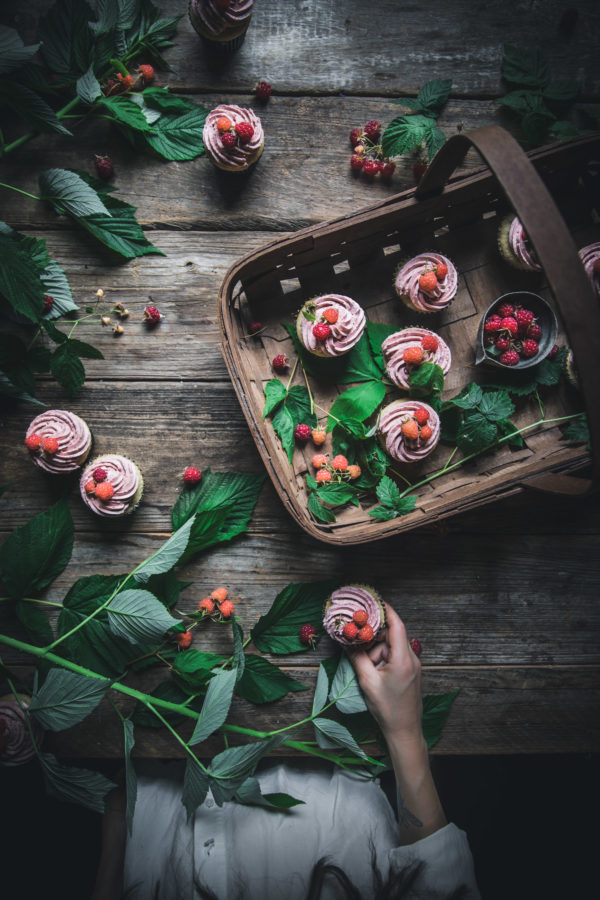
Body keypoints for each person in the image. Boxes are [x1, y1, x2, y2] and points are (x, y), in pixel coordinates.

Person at [92, 605, 480, 899]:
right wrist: (405, 730)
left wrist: (117, 810)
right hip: (346, 758)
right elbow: (440, 883)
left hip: (152, 760)